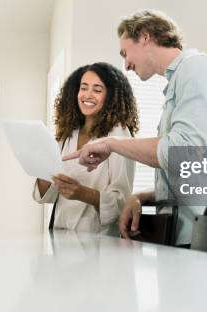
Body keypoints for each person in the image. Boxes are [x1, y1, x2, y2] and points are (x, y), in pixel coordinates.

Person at [64, 10, 207, 246]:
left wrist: (110, 144)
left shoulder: (197, 69)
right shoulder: (179, 82)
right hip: (192, 231)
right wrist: (141, 196)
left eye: (125, 53)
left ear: (144, 37)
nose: (126, 65)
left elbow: (179, 153)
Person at [33, 62, 138, 235]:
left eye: (97, 90)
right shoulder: (68, 133)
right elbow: (47, 195)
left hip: (98, 242)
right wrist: (41, 166)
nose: (87, 95)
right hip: (61, 237)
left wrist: (83, 193)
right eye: (84, 88)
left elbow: (122, 202)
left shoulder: (119, 134)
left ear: (111, 96)